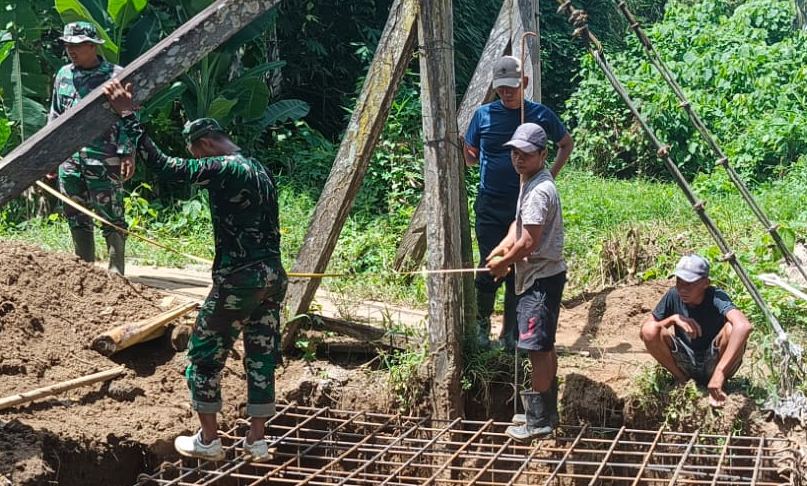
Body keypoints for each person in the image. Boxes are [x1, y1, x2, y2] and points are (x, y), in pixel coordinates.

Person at [104, 79, 286, 462]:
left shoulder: (224, 168)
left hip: (240, 280)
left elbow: (166, 167)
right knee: (261, 355)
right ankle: (256, 441)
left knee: (203, 355)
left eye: (196, 152)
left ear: (204, 145)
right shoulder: (260, 168)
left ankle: (209, 440)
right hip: (272, 277)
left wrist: (128, 116)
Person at [465, 55, 573, 349]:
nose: (507, 93)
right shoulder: (483, 116)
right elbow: (470, 154)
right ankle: (481, 324)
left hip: (525, 205)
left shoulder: (538, 116)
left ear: (523, 83)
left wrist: (547, 177)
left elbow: (566, 142)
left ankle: (511, 332)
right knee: (491, 262)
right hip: (491, 203)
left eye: (512, 87)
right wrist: (468, 154)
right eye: (501, 88)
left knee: (518, 266)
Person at [486, 123, 566, 442]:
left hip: (540, 278)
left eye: (526, 154)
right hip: (541, 275)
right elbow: (518, 226)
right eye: (515, 153)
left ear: (543, 155)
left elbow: (530, 241)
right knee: (542, 346)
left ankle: (539, 420)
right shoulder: (529, 180)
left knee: (536, 347)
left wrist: (504, 263)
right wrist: (503, 246)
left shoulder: (540, 191)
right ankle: (546, 411)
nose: (518, 159)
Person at [49, 21, 135, 275]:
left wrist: (127, 151)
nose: (70, 51)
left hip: (104, 159)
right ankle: (84, 270)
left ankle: (116, 272)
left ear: (91, 46)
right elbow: (54, 115)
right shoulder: (64, 74)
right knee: (75, 213)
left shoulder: (115, 76)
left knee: (111, 216)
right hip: (70, 160)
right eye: (67, 45)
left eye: (76, 46)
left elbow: (129, 115)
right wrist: (50, 157)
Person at [640, 255, 752, 407]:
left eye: (689, 284)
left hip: (714, 361)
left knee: (732, 329)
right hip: (685, 361)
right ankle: (682, 381)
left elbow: (744, 326)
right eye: (679, 282)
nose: (682, 289)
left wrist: (719, 372)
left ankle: (719, 382)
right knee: (650, 330)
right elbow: (645, 331)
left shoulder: (716, 297)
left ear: (706, 283)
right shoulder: (673, 295)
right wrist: (672, 319)